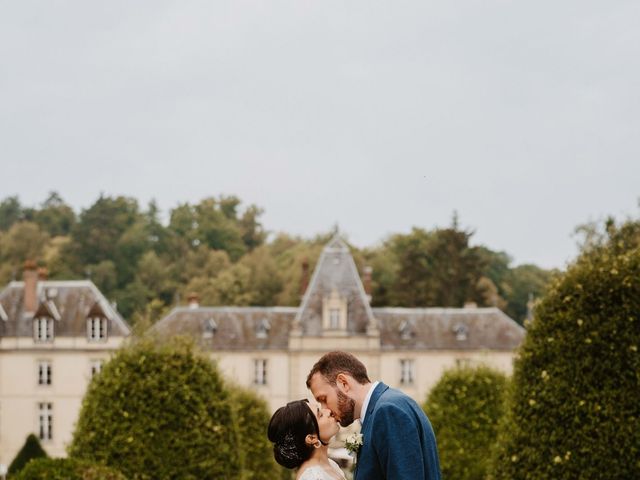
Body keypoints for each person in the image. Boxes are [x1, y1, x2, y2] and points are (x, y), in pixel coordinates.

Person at [307, 351, 441, 480]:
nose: (326, 410)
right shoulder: (388, 404)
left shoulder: (387, 411)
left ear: (343, 383)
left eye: (324, 399)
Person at [268, 399, 346, 480]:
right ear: (312, 438)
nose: (328, 411)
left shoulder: (332, 465)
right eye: (320, 415)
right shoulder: (312, 477)